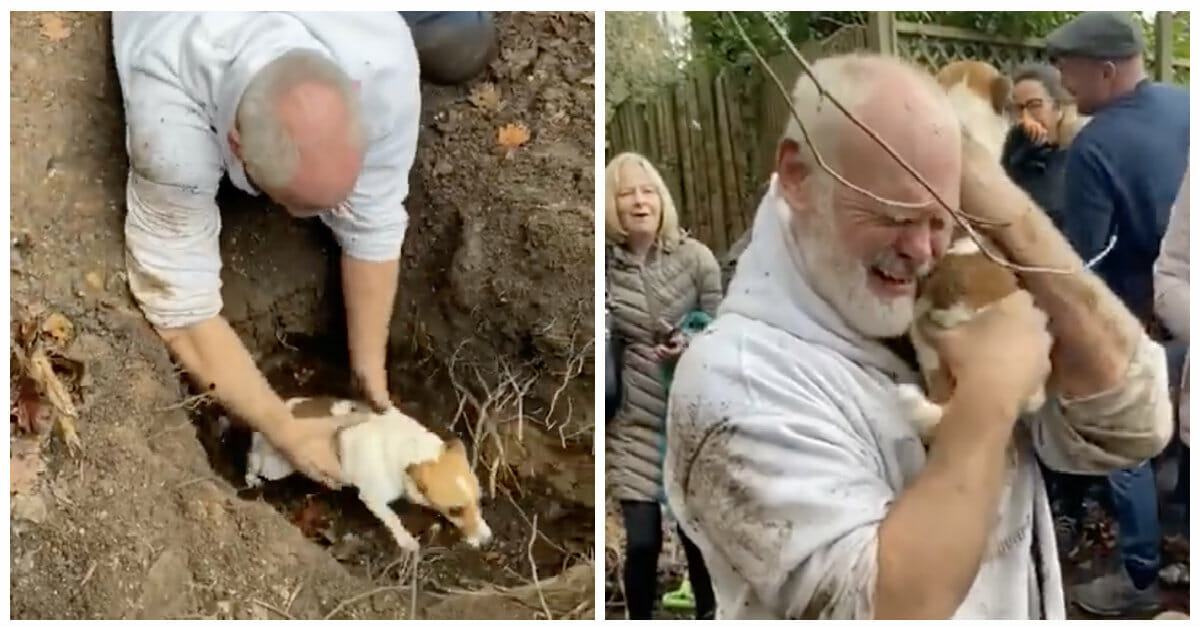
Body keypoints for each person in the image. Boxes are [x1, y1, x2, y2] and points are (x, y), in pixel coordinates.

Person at [664, 53, 1172, 619]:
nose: (923, 250)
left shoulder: (938, 288)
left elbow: (1133, 423)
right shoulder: (734, 378)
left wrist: (995, 200)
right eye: (895, 214)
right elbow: (882, 610)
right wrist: (989, 397)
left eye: (942, 220)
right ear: (798, 176)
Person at [112, 12, 491, 489]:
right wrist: (283, 427)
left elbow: (373, 218)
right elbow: (180, 310)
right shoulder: (170, 129)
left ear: (355, 93)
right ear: (236, 143)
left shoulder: (381, 58)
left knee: (464, 40)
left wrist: (370, 375)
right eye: (296, 206)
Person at [1047, 11, 1189, 615]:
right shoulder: (1187, 106)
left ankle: (1137, 575)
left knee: (1128, 442)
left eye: (1069, 73)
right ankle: (1181, 540)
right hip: (1190, 314)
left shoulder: (1094, 146)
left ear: (1106, 70)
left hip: (1137, 318)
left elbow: (1082, 264)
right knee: (1182, 436)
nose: (1062, 86)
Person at [605, 152, 721, 619]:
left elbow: (724, 322)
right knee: (642, 543)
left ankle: (710, 616)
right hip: (635, 424)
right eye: (626, 192)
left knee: (698, 540)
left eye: (647, 190)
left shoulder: (696, 259)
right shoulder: (604, 269)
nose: (639, 201)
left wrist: (690, 340)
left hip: (691, 420)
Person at [1000, 63, 1085, 230]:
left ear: (1058, 107)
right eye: (1019, 109)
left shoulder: (1080, 150)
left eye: (1034, 106)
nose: (1026, 118)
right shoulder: (1017, 143)